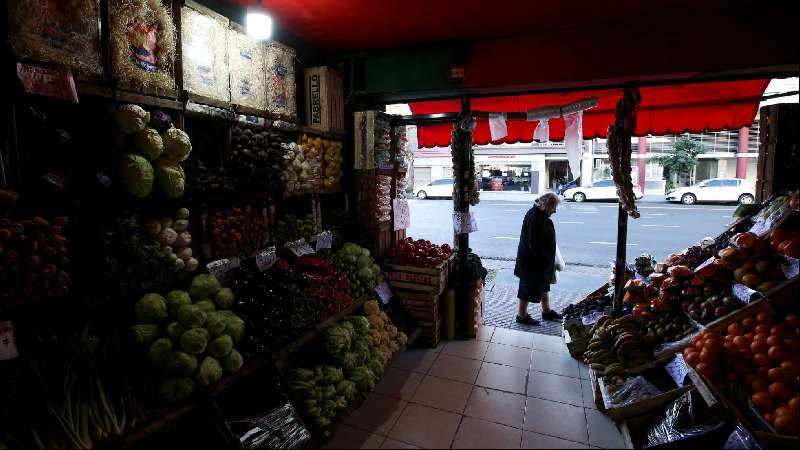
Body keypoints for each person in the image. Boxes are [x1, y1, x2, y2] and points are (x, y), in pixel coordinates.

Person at [514, 192, 563, 325]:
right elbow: (534, 244)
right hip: (532, 262)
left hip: (540, 262)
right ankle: (521, 316)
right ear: (547, 205)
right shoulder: (535, 217)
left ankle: (546, 311)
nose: (555, 211)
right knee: (527, 288)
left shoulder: (539, 214)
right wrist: (544, 258)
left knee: (544, 286)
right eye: (554, 208)